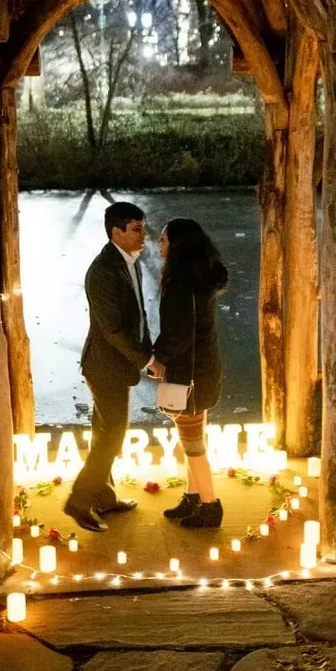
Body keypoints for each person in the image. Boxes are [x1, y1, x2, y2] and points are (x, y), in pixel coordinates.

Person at [65, 200, 152, 534]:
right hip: (104, 367)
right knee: (112, 435)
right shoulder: (102, 271)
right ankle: (78, 501)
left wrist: (148, 349)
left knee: (104, 432)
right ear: (117, 232)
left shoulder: (128, 261)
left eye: (143, 227)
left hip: (115, 365)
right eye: (136, 228)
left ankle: (103, 497)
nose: (143, 234)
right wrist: (147, 359)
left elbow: (137, 317)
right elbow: (113, 328)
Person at [148, 218, 229, 531]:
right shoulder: (202, 278)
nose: (159, 244)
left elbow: (178, 333)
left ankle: (210, 506)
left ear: (177, 245)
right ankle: (192, 496)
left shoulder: (181, 283)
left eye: (164, 240)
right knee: (191, 440)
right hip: (205, 368)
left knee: (193, 445)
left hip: (189, 375)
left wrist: (158, 358)